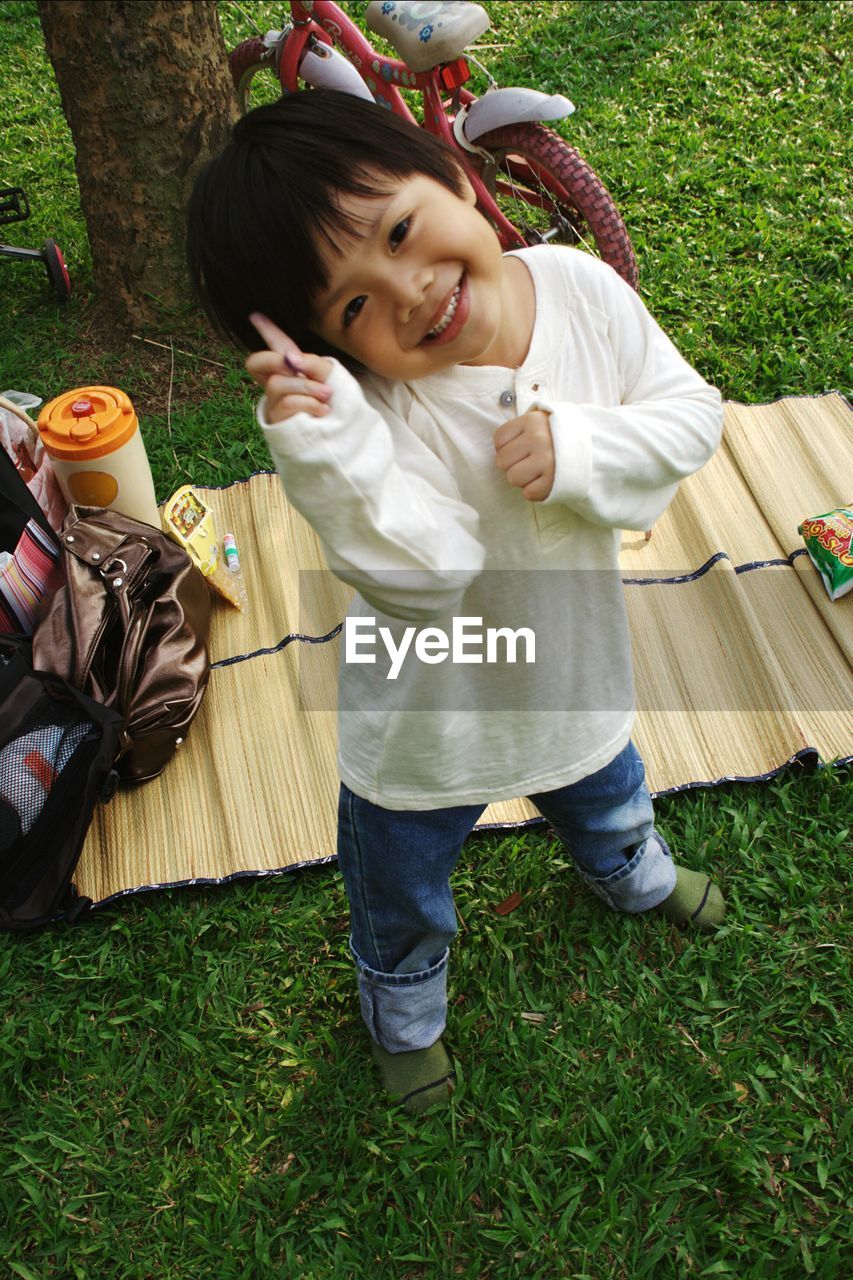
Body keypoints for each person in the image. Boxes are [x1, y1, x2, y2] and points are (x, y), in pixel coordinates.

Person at [187, 90, 726, 1115]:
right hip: (426, 726)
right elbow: (418, 568)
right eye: (350, 308)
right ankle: (403, 1009)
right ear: (332, 350)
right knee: (400, 892)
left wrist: (582, 446)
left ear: (455, 176)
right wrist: (328, 452)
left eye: (399, 230)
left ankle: (629, 870)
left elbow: (689, 414)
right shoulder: (371, 419)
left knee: (604, 786)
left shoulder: (577, 289)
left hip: (570, 666)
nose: (408, 289)